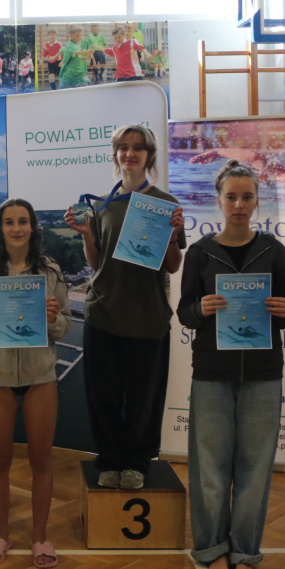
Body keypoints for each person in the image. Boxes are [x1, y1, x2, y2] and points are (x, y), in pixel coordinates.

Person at [176, 160, 285, 569]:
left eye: (247, 197)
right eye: (232, 197)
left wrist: (284, 309)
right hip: (212, 372)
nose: (239, 205)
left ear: (257, 201)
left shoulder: (273, 250)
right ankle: (212, 548)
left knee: (255, 467)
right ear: (219, 200)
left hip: (263, 372)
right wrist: (201, 308)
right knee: (209, 466)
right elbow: (184, 313)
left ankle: (245, 551)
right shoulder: (199, 252)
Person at [64, 125, 185, 489]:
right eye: (124, 147)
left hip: (147, 316)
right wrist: (87, 235)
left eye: (138, 148)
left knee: (143, 398)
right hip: (103, 312)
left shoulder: (165, 203)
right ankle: (110, 460)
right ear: (116, 153)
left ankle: (136, 463)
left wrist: (170, 234)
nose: (130, 154)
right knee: (103, 395)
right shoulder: (103, 204)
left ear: (150, 155)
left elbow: (173, 265)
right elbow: (97, 263)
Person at [0, 199, 70, 569]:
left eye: (23, 221)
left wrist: (54, 319)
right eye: (9, 222)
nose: (17, 228)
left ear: (33, 226)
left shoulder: (51, 272)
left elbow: (64, 326)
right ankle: (1, 534)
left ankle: (40, 537)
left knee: (41, 459)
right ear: (1, 229)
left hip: (40, 377)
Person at [58, 25, 90, 90]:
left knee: (85, 86)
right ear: (70, 36)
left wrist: (87, 57)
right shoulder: (70, 44)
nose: (79, 38)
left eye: (80, 35)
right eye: (77, 36)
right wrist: (87, 52)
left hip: (78, 73)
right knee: (64, 91)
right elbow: (77, 52)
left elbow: (79, 58)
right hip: (69, 74)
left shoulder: (78, 44)